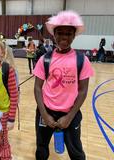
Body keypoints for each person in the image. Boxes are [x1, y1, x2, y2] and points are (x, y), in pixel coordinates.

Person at [33, 10, 94, 160]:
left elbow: (83, 91)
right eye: (60, 33)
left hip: (70, 113)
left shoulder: (82, 60)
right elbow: (37, 88)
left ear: (74, 36)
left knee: (76, 152)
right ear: (54, 34)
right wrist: (44, 115)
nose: (64, 37)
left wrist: (69, 116)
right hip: (46, 111)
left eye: (68, 33)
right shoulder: (44, 59)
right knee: (41, 149)